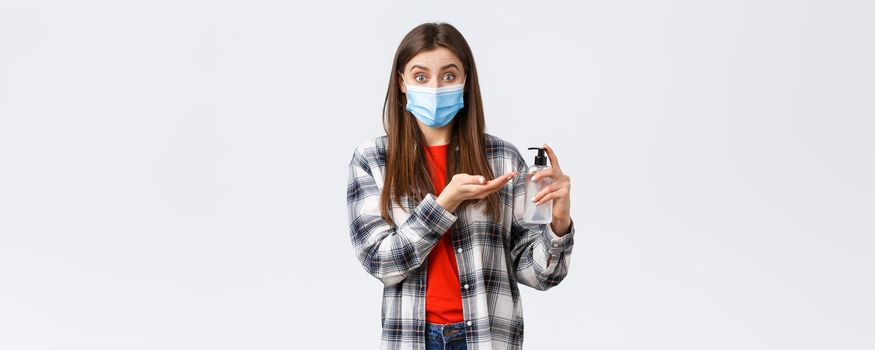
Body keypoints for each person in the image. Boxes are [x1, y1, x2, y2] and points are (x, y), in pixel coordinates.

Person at [346, 22, 576, 350]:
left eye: (449, 76)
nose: (436, 87)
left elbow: (541, 275)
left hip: (486, 335)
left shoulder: (502, 159)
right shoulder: (373, 159)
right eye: (421, 77)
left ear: (466, 81)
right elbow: (380, 262)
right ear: (402, 82)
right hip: (413, 337)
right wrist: (444, 203)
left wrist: (558, 222)